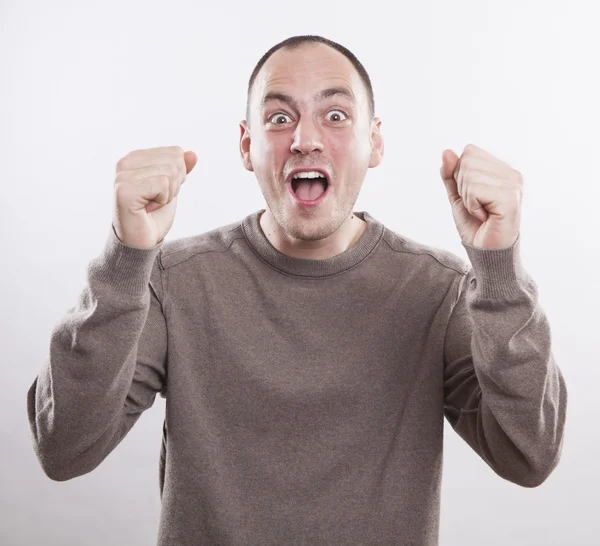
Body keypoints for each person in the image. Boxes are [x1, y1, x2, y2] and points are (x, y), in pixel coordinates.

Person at [27, 35, 567, 545]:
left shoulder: (438, 290)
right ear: (247, 146)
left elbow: (530, 454)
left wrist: (497, 268)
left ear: (373, 142)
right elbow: (63, 447)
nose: (306, 140)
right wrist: (127, 258)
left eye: (335, 116)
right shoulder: (175, 280)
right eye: (279, 118)